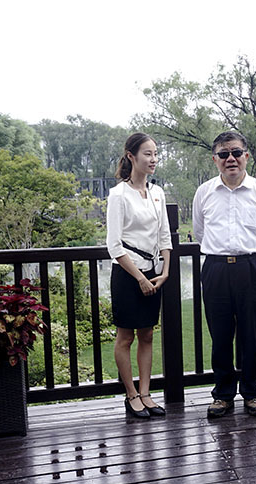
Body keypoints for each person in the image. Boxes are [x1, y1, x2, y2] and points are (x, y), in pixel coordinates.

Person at [192, 131, 256, 418]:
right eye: (223, 154)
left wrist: (249, 256)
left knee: (251, 334)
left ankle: (252, 393)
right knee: (219, 334)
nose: (230, 158)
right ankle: (223, 394)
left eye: (236, 152)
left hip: (251, 268)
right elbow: (200, 231)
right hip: (215, 268)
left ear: (246, 156)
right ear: (215, 159)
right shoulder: (204, 192)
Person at [106, 133, 172, 419]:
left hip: (154, 273)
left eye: (155, 153)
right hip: (127, 274)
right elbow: (114, 245)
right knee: (125, 337)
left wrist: (165, 271)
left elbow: (165, 236)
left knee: (147, 334)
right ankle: (131, 394)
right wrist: (140, 278)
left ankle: (146, 393)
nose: (153, 159)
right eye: (147, 153)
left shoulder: (158, 193)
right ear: (131, 156)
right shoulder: (118, 195)